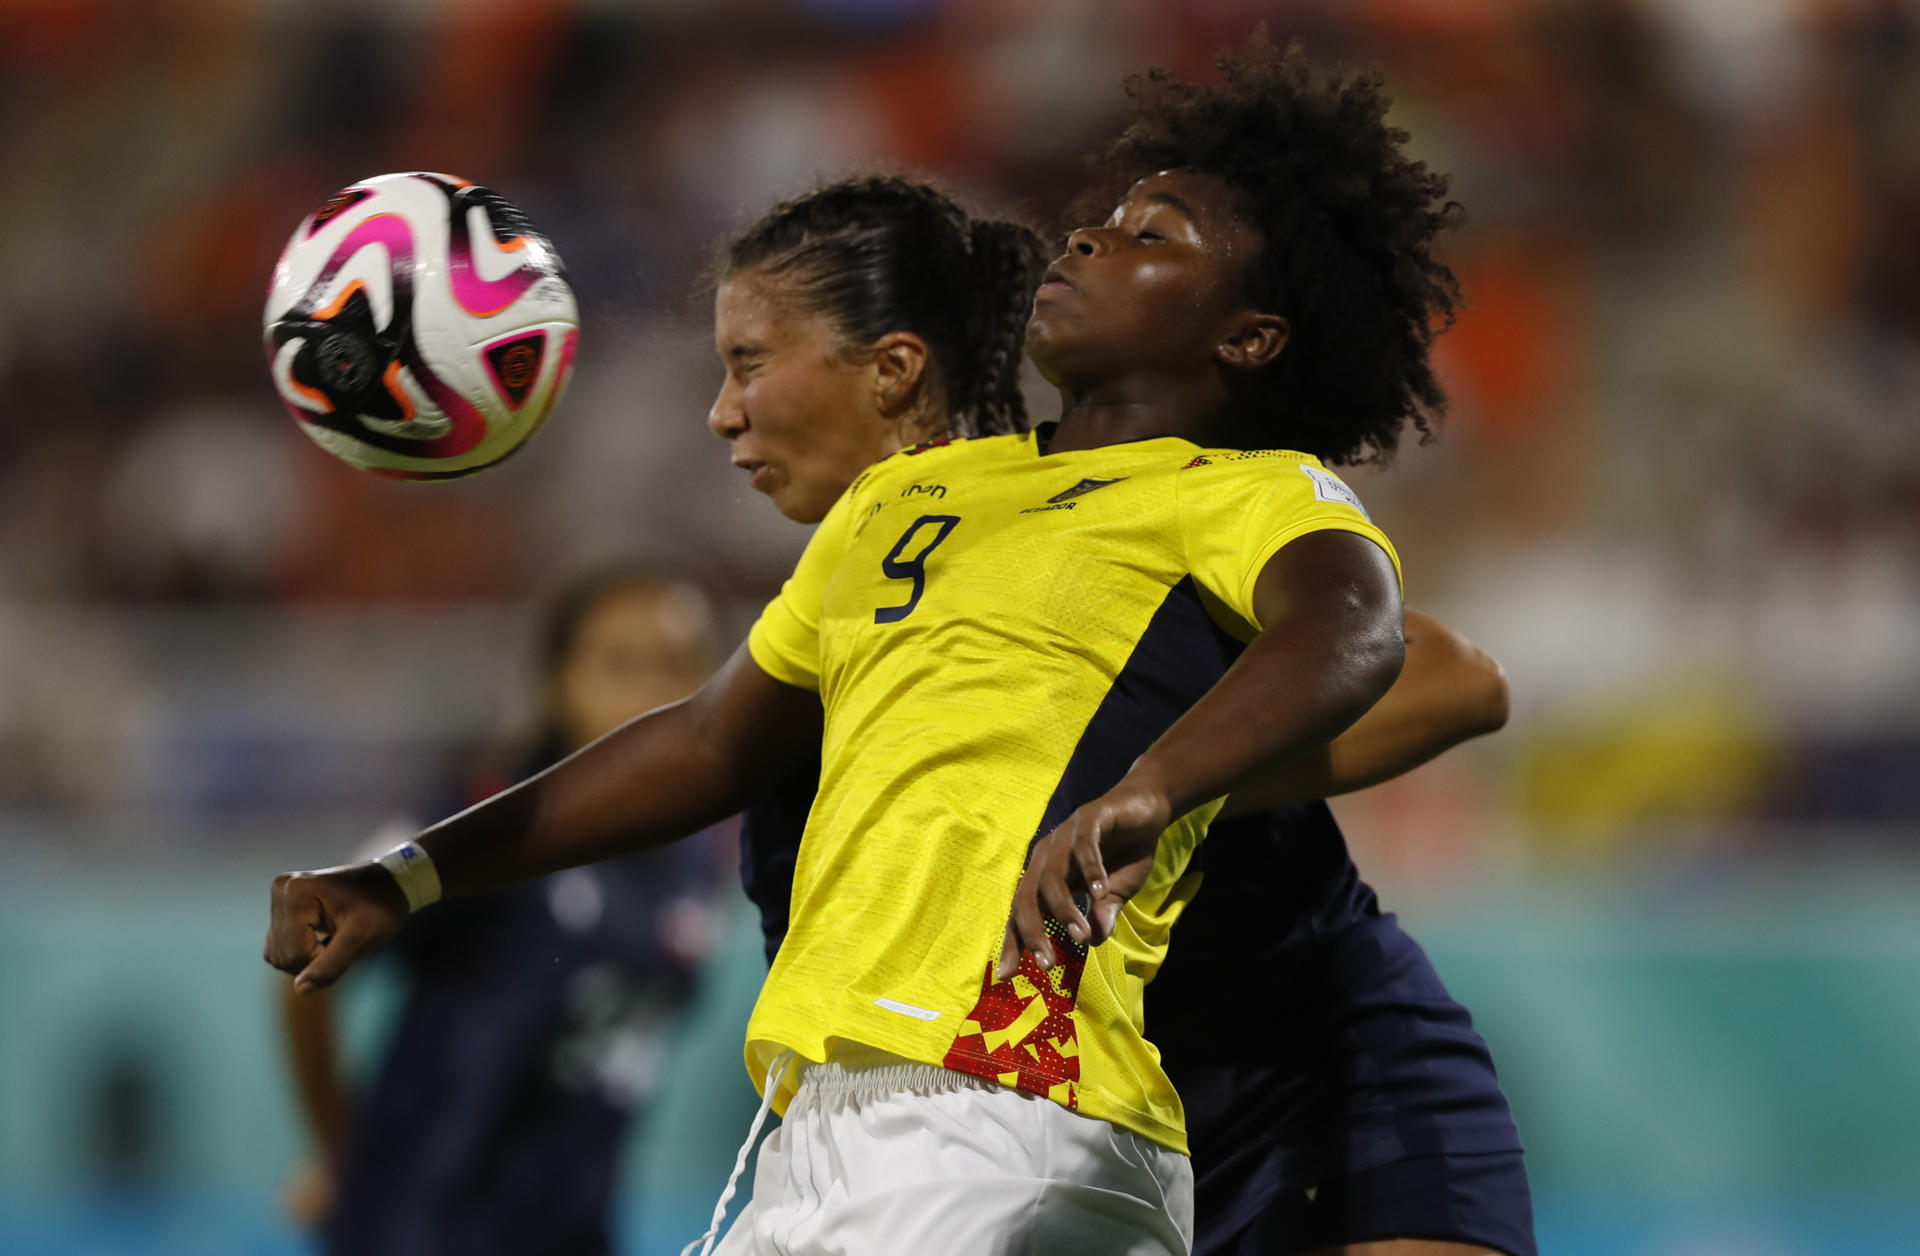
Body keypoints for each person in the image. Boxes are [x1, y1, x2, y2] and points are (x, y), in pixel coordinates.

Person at [263, 35, 1516, 1256]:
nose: (722, 413)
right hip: (869, 1111)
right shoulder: (904, 520)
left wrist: (1149, 786)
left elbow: (1399, 647)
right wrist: (411, 875)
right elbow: (708, 740)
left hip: (1166, 1072)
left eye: (752, 362)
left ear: (890, 371)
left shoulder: (1222, 499)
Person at [276, 565, 726, 1256]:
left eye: (678, 666)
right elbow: (308, 951)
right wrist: (340, 1151)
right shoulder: (485, 822)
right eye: (620, 665)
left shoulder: (699, 857)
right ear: (555, 679)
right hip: (425, 1227)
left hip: (573, 1229)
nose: (653, 692)